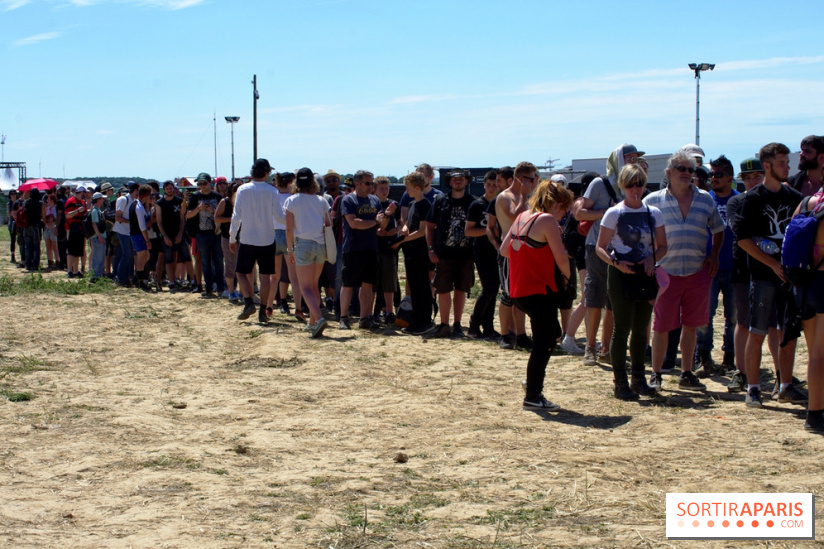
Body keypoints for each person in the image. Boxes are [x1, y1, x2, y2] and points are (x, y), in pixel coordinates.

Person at [644, 150, 725, 392]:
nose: (687, 173)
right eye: (682, 169)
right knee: (661, 326)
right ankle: (656, 373)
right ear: (669, 173)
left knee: (692, 324)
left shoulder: (705, 199)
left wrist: (714, 256)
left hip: (697, 272)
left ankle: (686, 372)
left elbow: (718, 229)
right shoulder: (652, 201)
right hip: (665, 273)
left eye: (691, 170)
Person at [735, 142, 805, 407]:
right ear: (767, 165)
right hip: (763, 277)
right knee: (757, 331)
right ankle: (753, 388)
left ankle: (785, 384)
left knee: (788, 333)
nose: (788, 167)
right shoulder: (752, 199)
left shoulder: (794, 198)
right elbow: (743, 239)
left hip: (791, 279)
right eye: (782, 163)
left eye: (788, 162)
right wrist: (772, 263)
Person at [596, 164, 667, 400]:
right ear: (623, 186)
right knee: (622, 327)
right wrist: (617, 264)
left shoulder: (653, 213)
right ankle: (620, 383)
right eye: (630, 184)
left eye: (640, 183)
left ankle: (639, 379)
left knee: (640, 329)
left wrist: (650, 258)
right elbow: (600, 247)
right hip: (621, 275)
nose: (636, 189)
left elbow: (663, 246)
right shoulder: (614, 213)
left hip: (645, 275)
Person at [501, 179, 573, 411]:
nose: (564, 215)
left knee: (547, 336)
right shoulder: (547, 219)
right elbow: (562, 257)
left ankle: (532, 383)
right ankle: (533, 394)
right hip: (539, 289)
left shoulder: (523, 216)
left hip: (520, 290)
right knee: (547, 339)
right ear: (556, 204)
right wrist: (568, 277)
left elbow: (505, 250)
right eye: (564, 210)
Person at [577, 144, 643, 365]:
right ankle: (590, 348)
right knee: (594, 298)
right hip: (597, 247)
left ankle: (607, 349)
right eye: (629, 157)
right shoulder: (600, 184)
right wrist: (607, 213)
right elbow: (580, 212)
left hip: (623, 250)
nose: (633, 160)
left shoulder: (636, 185)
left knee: (614, 302)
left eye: (636, 157)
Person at [726, 158, 780, 392]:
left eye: (756, 176)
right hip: (745, 269)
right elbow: (741, 233)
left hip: (772, 271)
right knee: (745, 321)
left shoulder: (775, 198)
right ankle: (742, 372)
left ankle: (781, 374)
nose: (751, 181)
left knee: (776, 325)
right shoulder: (737, 201)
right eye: (746, 178)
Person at [229, 159, 287, 325]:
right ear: (267, 173)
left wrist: (232, 237)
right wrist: (293, 221)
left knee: (241, 272)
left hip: (247, 238)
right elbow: (279, 216)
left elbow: (236, 216)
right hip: (267, 240)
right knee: (266, 276)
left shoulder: (242, 189)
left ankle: (248, 302)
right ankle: (263, 309)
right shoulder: (272, 191)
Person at [695, 155, 739, 375]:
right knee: (705, 315)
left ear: (730, 177)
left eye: (718, 174)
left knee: (732, 317)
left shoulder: (739, 201)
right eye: (711, 174)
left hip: (734, 267)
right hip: (707, 268)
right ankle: (704, 359)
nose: (713, 178)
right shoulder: (703, 200)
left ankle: (729, 359)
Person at [425, 168, 477, 338]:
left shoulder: (472, 202)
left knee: (461, 289)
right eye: (454, 179)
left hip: (465, 253)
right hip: (443, 253)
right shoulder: (440, 201)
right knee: (443, 289)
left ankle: (457, 325)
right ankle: (444, 324)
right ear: (450, 182)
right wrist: (431, 249)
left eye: (461, 179)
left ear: (467, 181)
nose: (458, 181)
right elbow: (429, 226)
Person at [284, 167, 332, 337]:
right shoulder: (322, 201)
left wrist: (289, 249)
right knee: (313, 286)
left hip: (302, 245)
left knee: (305, 287)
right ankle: (312, 323)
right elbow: (328, 224)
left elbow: (289, 228)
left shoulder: (292, 201)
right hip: (320, 244)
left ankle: (318, 319)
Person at [791, 187, 824, 431]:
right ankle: (815, 415)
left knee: (814, 354)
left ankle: (815, 410)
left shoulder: (806, 203)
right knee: (819, 356)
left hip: (804, 284)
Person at [338, 170, 386, 330]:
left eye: (372, 183)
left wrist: (386, 216)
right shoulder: (348, 200)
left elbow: (382, 225)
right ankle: (343, 318)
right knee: (348, 284)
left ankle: (365, 318)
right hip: (353, 248)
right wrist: (374, 221)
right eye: (368, 183)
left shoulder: (375, 200)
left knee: (368, 285)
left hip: (371, 247)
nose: (371, 186)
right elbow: (354, 223)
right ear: (357, 183)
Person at [493, 164, 534, 349]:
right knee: (508, 295)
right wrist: (525, 195)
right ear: (521, 179)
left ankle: (521, 334)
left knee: (522, 295)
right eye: (530, 180)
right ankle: (504, 334)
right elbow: (514, 217)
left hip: (525, 251)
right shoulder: (505, 197)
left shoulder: (528, 197)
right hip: (509, 252)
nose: (533, 183)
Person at [393, 171, 433, 334]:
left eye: (408, 188)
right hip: (410, 253)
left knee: (422, 287)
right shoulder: (412, 204)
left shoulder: (425, 205)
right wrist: (404, 229)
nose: (406, 191)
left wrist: (402, 240)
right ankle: (416, 320)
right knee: (414, 288)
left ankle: (424, 321)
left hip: (420, 252)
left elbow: (422, 231)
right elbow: (408, 224)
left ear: (417, 188)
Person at [465, 170, 501, 339]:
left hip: (498, 250)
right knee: (489, 289)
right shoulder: (477, 204)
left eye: (495, 185)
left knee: (494, 289)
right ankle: (473, 325)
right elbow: (469, 231)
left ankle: (488, 326)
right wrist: (488, 231)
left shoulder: (500, 203)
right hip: (482, 251)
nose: (492, 187)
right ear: (484, 185)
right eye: (489, 184)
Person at [187, 173, 225, 297]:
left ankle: (220, 286)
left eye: (204, 183)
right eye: (199, 184)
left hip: (216, 233)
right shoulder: (195, 197)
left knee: (218, 261)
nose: (201, 186)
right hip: (201, 233)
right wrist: (198, 209)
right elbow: (188, 215)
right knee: (205, 261)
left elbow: (222, 215)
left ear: (210, 183)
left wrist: (212, 211)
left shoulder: (217, 196)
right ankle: (207, 287)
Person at [374, 176, 401, 324]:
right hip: (375, 245)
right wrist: (377, 230)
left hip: (390, 246)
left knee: (390, 280)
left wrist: (395, 231)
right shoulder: (373, 204)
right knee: (375, 280)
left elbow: (402, 224)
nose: (384, 191)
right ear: (375, 190)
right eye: (381, 188)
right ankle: (376, 311)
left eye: (386, 188)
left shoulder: (394, 204)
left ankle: (390, 311)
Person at [156, 180, 188, 292]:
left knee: (176, 256)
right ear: (164, 190)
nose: (170, 190)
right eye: (167, 188)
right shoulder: (160, 203)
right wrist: (164, 235)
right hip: (166, 234)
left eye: (171, 188)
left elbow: (182, 219)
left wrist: (180, 233)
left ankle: (174, 279)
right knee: (167, 258)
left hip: (177, 233)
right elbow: (159, 221)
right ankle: (170, 281)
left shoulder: (179, 201)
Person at [128, 185, 154, 292]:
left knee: (146, 255)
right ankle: (140, 280)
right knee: (141, 256)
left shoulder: (138, 204)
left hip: (137, 234)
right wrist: (147, 240)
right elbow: (142, 226)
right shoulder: (138, 207)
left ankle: (137, 277)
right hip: (138, 234)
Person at [113, 182, 139, 286]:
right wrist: (131, 221)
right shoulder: (123, 199)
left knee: (129, 255)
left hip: (129, 232)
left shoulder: (134, 201)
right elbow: (117, 217)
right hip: (122, 231)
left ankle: (126, 277)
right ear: (135, 191)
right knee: (126, 254)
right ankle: (120, 277)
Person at [64, 186, 88, 278]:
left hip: (80, 228)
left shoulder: (82, 202)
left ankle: (76, 270)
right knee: (70, 250)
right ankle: (70, 270)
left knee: (78, 251)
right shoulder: (71, 201)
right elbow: (67, 215)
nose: (84, 194)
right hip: (71, 227)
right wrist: (78, 211)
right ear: (80, 192)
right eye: (83, 192)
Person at [22, 188, 43, 271]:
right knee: (36, 246)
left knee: (27, 246)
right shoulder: (40, 203)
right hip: (36, 226)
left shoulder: (26, 202)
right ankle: (35, 264)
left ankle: (28, 264)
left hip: (27, 226)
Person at [88, 192, 107, 281]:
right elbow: (94, 224)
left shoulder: (98, 210)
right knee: (97, 257)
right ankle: (95, 276)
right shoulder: (95, 210)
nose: (103, 200)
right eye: (102, 198)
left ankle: (98, 275)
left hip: (100, 237)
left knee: (101, 257)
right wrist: (99, 236)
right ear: (98, 199)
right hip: (97, 237)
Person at [42, 192, 59, 269]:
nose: (47, 201)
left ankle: (57, 261)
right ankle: (50, 261)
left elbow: (57, 218)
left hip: (53, 228)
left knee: (55, 247)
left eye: (48, 199)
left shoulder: (56, 208)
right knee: (48, 246)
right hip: (47, 228)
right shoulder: (47, 208)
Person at [7, 190, 18, 263]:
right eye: (12, 194)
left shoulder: (18, 202)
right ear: (10, 195)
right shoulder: (9, 204)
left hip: (19, 222)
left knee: (21, 240)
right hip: (12, 223)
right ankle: (12, 255)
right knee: (13, 239)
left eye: (15, 193)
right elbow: (8, 214)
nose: (13, 195)